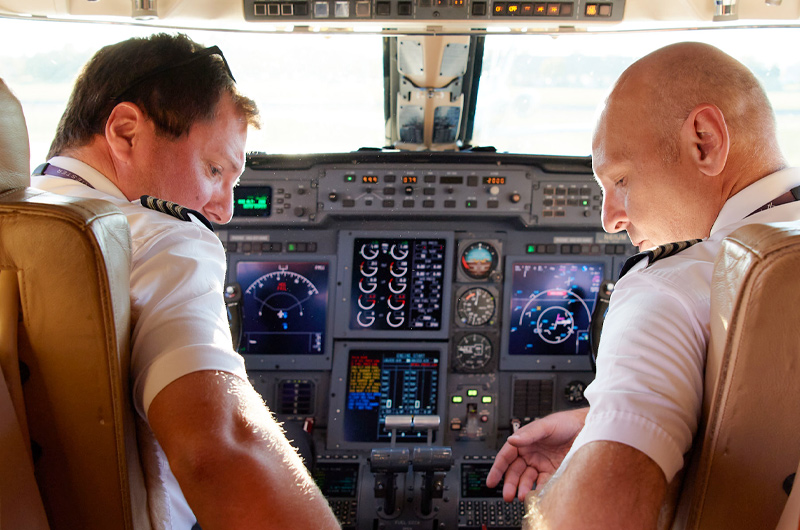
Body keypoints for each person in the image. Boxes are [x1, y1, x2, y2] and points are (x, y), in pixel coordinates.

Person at [32, 33, 340, 530]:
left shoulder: (17, 219)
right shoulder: (161, 237)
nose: (222, 210)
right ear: (126, 131)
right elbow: (219, 451)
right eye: (214, 169)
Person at [487, 41, 800, 528]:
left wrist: (593, 462)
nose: (611, 220)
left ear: (704, 141)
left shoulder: (671, 287)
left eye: (621, 180)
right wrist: (610, 428)